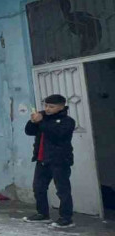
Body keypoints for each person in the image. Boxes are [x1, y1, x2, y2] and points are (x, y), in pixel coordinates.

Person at [24, 94, 76, 227]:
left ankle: (66, 217)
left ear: (61, 107)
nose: (47, 109)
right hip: (42, 159)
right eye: (46, 105)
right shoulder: (43, 118)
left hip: (59, 160)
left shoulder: (67, 121)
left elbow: (57, 135)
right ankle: (42, 213)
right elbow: (29, 132)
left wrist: (41, 121)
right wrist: (32, 121)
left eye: (51, 106)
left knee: (62, 190)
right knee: (38, 188)